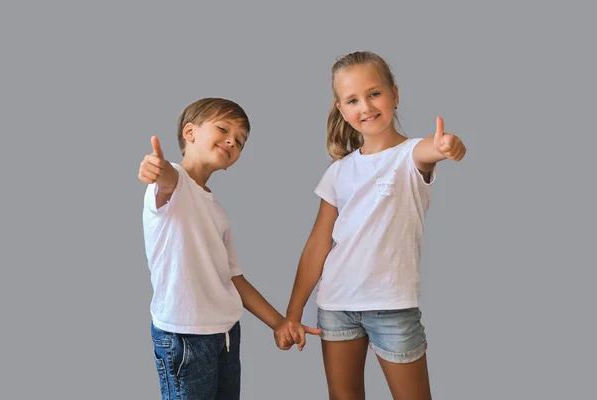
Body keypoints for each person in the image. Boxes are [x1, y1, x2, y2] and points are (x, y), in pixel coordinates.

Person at [274, 51, 466, 399]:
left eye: (374, 93)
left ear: (394, 94)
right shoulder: (337, 172)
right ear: (341, 110)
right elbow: (318, 244)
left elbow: (429, 151)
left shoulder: (409, 156)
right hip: (335, 305)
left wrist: (445, 147)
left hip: (392, 307)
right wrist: (293, 311)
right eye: (353, 100)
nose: (366, 106)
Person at [139, 97, 318, 399]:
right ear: (190, 132)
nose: (232, 141)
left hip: (224, 335)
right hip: (185, 338)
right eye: (223, 129)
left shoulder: (216, 211)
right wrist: (156, 170)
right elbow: (167, 181)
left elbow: (234, 278)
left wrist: (280, 323)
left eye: (240, 140)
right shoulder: (174, 181)